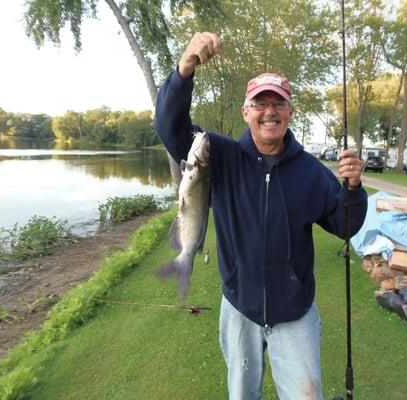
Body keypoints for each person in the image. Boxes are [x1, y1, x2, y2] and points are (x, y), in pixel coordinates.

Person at [155, 32, 367, 400]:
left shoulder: (312, 172)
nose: (269, 111)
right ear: (246, 112)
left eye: (278, 103)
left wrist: (353, 190)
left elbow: (345, 224)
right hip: (239, 308)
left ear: (290, 112)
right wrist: (184, 70)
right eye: (260, 102)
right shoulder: (218, 156)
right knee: (242, 395)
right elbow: (170, 128)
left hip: (295, 315)